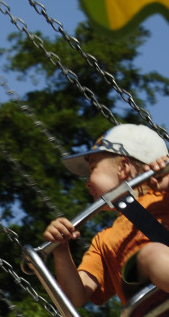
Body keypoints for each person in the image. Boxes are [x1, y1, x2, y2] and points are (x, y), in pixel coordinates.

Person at [43, 123, 169, 307]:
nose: (87, 183)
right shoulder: (103, 242)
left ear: (123, 168)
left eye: (93, 168)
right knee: (151, 256)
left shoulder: (162, 197)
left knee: (152, 254)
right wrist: (60, 250)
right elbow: (74, 298)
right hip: (151, 314)